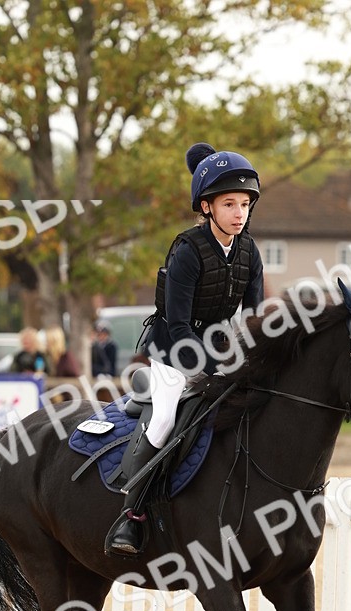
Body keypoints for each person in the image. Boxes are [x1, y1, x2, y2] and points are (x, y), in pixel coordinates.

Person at [106, 141, 265, 556]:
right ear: (207, 206)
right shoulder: (187, 250)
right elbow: (177, 325)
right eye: (229, 204)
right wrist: (215, 363)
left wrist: (255, 357)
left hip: (219, 347)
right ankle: (131, 516)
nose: (238, 213)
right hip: (171, 351)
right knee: (162, 420)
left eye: (245, 204)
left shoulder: (249, 252)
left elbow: (254, 318)